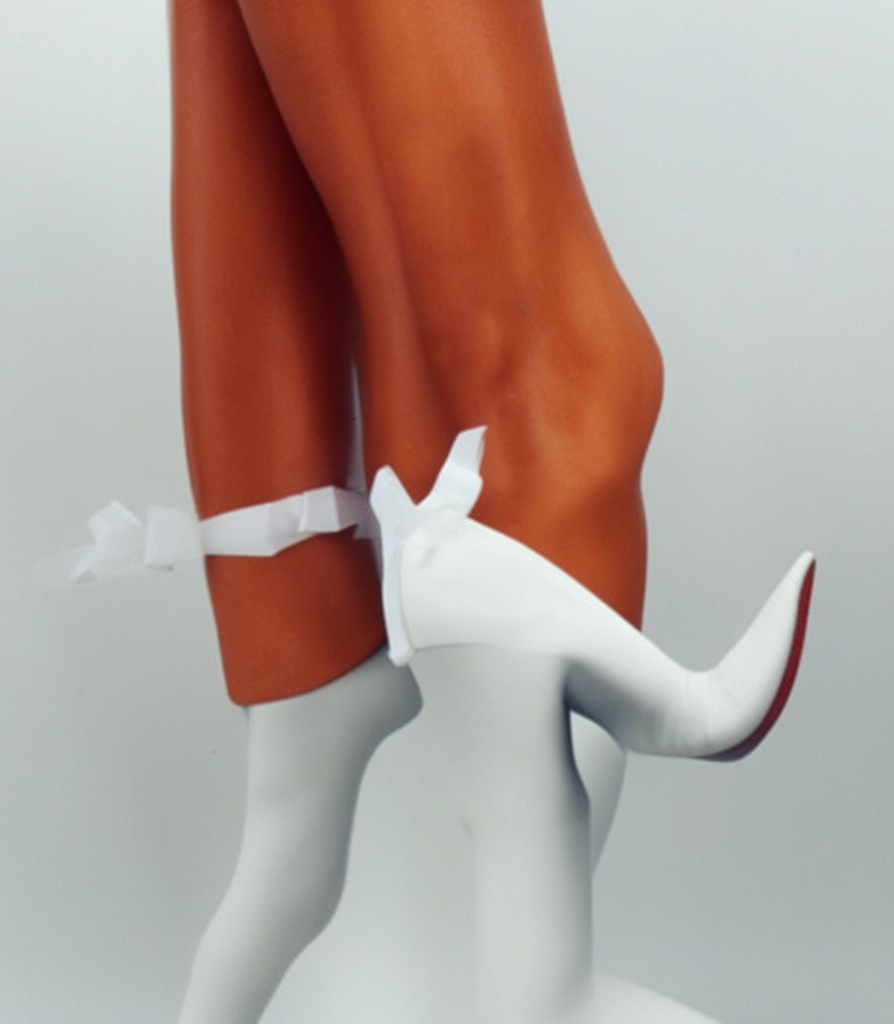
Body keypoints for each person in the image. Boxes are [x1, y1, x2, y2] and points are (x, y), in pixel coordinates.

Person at [159, 2, 815, 1021]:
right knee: (544, 993)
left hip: (341, 527)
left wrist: (281, 587)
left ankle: (303, 581)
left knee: (220, 30)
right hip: (518, 480)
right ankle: (523, 445)